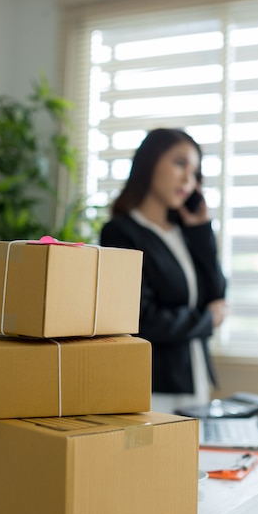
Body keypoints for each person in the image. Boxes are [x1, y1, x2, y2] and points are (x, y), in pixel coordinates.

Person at [100, 128, 227, 414]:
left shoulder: (184, 232)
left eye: (195, 173)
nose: (188, 180)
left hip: (196, 380)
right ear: (150, 162)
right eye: (180, 163)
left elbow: (217, 295)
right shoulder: (121, 232)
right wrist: (206, 320)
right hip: (156, 387)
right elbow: (141, 319)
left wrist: (202, 231)